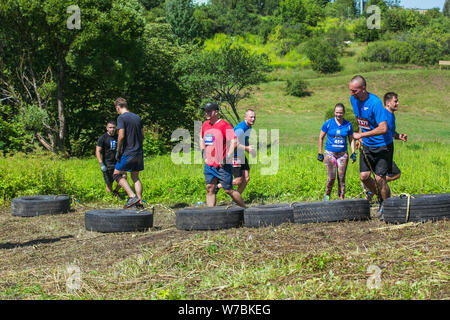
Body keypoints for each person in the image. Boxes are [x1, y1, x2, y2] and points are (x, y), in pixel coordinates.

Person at [349, 75, 390, 218]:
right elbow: (362, 121)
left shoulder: (375, 103)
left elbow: (383, 128)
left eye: (354, 91)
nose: (351, 94)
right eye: (350, 90)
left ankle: (387, 205)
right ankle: (380, 196)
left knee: (380, 179)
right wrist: (361, 135)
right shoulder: (354, 100)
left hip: (382, 145)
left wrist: (361, 136)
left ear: (363, 89)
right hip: (367, 145)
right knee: (364, 177)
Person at [199, 102, 246, 208]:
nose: (206, 113)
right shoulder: (205, 125)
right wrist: (203, 154)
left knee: (228, 189)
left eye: (209, 111)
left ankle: (245, 209)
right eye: (205, 111)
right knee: (210, 188)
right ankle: (211, 214)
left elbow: (234, 141)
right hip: (209, 164)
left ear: (216, 112)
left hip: (222, 165)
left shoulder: (224, 125)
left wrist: (227, 158)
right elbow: (201, 138)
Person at [318, 103, 356, 200]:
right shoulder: (328, 123)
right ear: (334, 112)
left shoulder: (348, 125)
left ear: (344, 113)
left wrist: (353, 152)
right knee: (331, 178)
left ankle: (341, 197)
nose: (338, 115)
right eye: (337, 113)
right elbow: (321, 137)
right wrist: (320, 152)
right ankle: (327, 195)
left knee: (341, 177)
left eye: (341, 113)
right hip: (330, 153)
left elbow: (351, 139)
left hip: (343, 155)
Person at [112, 97, 145, 209]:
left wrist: (118, 150)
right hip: (139, 151)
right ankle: (139, 202)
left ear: (118, 107)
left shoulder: (121, 118)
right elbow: (142, 136)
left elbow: (121, 135)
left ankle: (132, 196)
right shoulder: (137, 117)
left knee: (116, 174)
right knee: (135, 177)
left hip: (128, 151)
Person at [95, 120, 124, 195]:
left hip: (118, 162)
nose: (112, 129)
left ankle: (116, 192)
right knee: (109, 183)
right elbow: (97, 151)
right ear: (107, 128)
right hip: (107, 163)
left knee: (124, 177)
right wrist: (101, 164)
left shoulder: (118, 137)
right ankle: (111, 197)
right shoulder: (103, 138)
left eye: (113, 127)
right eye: (110, 127)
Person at [383, 92, 407, 183]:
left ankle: (372, 191)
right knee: (395, 173)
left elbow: (391, 133)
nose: (398, 103)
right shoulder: (383, 114)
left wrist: (399, 136)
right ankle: (373, 186)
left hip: (388, 148)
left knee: (389, 174)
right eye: (395, 101)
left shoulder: (392, 115)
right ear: (388, 103)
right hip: (382, 149)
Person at [231, 109, 257, 194]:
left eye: (254, 117)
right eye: (251, 117)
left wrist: (251, 151)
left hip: (241, 154)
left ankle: (236, 199)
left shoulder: (249, 126)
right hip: (234, 155)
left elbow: (245, 140)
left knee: (246, 178)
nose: (253, 119)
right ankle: (218, 186)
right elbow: (235, 144)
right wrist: (247, 148)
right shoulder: (240, 129)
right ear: (245, 117)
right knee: (238, 180)